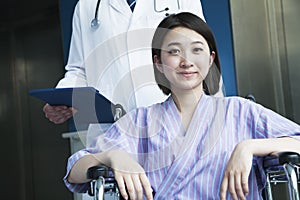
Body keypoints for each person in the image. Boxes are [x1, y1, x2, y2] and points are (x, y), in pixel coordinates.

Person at [64, 12, 300, 199]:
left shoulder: (240, 111)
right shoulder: (140, 122)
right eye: (174, 52)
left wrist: (248, 147)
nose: (186, 62)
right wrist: (112, 156)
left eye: (197, 50)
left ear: (210, 59)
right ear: (158, 62)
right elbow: (75, 172)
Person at [43, 0, 219, 126]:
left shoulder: (183, 1)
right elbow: (79, 69)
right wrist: (63, 99)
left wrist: (216, 116)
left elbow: (201, 55)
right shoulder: (87, 6)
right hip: (112, 130)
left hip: (174, 122)